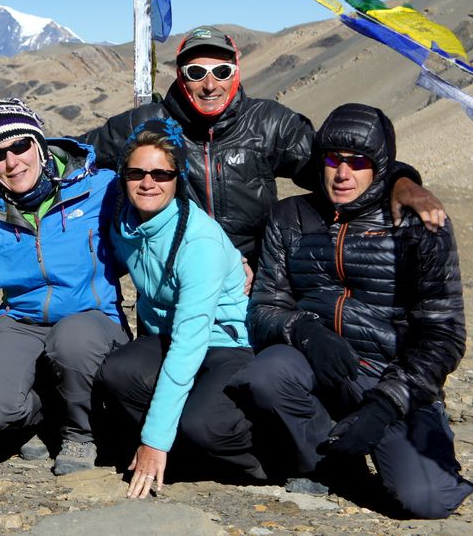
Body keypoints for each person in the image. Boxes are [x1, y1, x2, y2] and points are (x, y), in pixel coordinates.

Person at [231, 103, 471, 519]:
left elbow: (444, 335)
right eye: (332, 160)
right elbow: (264, 308)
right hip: (315, 364)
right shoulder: (290, 217)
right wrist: (305, 330)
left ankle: (402, 439)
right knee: (266, 374)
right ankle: (326, 461)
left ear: (380, 167)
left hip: (390, 376)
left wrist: (386, 405)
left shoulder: (418, 225)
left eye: (358, 162)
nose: (343, 174)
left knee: (427, 500)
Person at [82, 26, 444, 268]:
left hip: (254, 276)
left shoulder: (269, 122)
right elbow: (76, 155)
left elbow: (334, 169)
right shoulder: (145, 123)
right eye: (195, 73)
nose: (209, 85)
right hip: (173, 273)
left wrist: (402, 182)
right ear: (180, 75)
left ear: (236, 72)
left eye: (221, 72)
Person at [96, 117, 263, 499]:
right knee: (118, 371)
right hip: (168, 338)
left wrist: (154, 438)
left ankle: (263, 461)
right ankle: (181, 455)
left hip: (224, 342)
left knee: (201, 423)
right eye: (136, 172)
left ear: (178, 178)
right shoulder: (127, 226)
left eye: (161, 173)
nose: (148, 182)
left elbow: (190, 344)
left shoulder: (197, 242)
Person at [0, 98, 128, 475]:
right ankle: (43, 414)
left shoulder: (102, 188)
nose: (12, 161)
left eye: (20, 145)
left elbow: (151, 226)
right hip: (21, 321)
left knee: (71, 339)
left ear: (39, 144)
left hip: (92, 318)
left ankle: (80, 434)